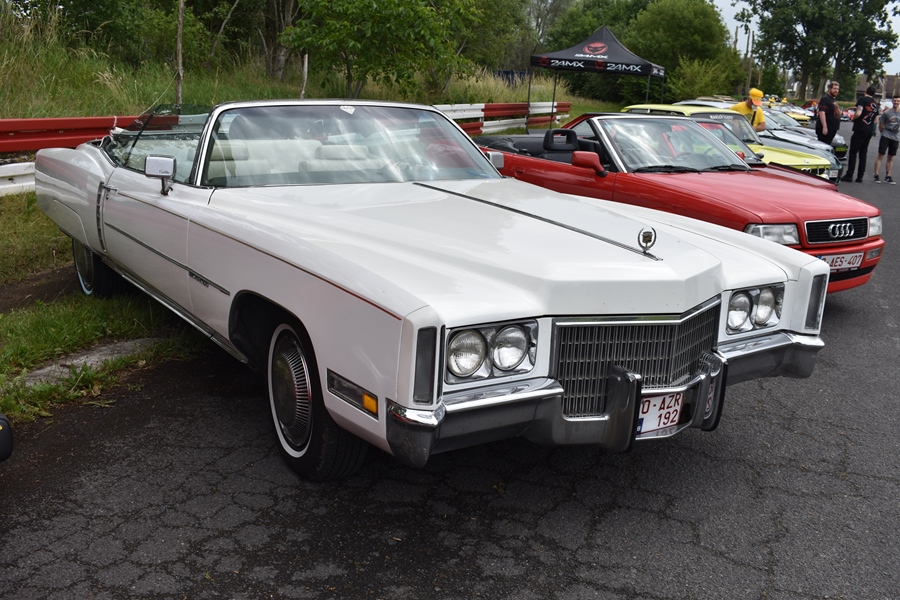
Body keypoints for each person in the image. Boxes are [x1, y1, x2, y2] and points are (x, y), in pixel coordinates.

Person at [842, 86, 880, 183]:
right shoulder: (875, 104)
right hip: (869, 130)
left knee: (853, 152)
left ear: (865, 92)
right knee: (863, 153)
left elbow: (858, 112)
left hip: (860, 128)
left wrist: (853, 118)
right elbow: (876, 120)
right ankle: (860, 176)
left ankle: (849, 174)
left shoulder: (862, 100)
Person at [873, 94, 900, 184]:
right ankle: (876, 175)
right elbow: (881, 125)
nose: (896, 102)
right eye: (895, 101)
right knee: (881, 155)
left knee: (891, 157)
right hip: (886, 136)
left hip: (895, 137)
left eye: (898, 101)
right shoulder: (887, 113)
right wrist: (883, 133)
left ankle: (888, 176)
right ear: (892, 101)